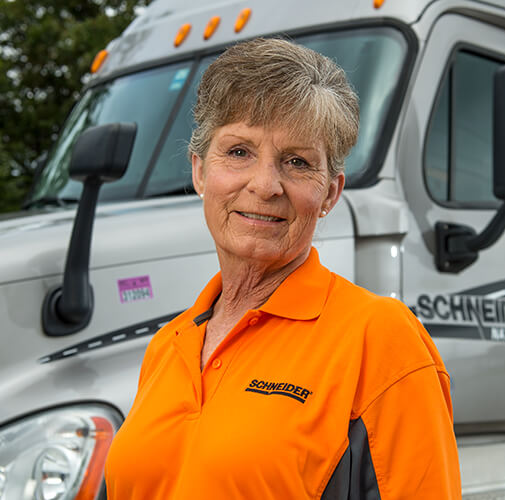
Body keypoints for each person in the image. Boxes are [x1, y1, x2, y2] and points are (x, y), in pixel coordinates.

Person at [104, 38, 461, 499]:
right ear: (199, 172)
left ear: (330, 193)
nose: (265, 184)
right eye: (238, 153)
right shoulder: (168, 345)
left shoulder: (379, 338)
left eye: (297, 162)